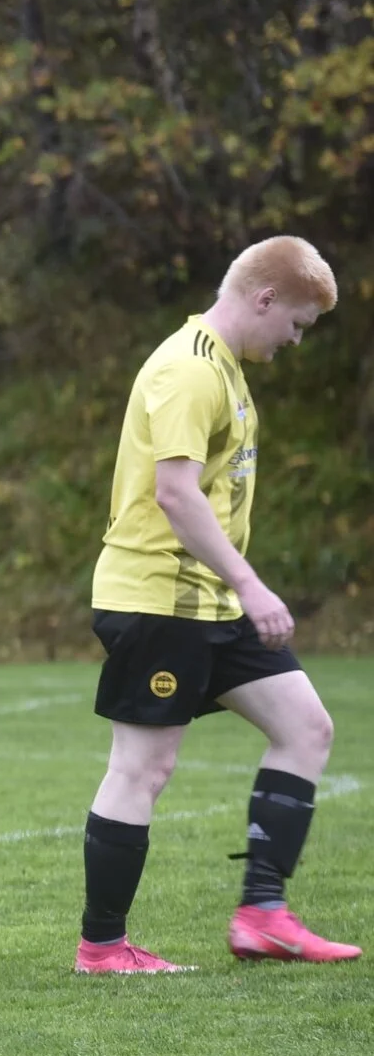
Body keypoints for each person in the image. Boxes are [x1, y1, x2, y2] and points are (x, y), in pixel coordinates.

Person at [75, 236, 358, 973]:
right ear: (264, 297)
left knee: (306, 727)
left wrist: (236, 588)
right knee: (144, 766)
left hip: (210, 600)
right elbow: (175, 494)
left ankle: (263, 915)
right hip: (160, 599)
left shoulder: (226, 367)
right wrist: (252, 583)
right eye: (295, 323)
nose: (295, 341)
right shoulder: (189, 369)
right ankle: (102, 946)